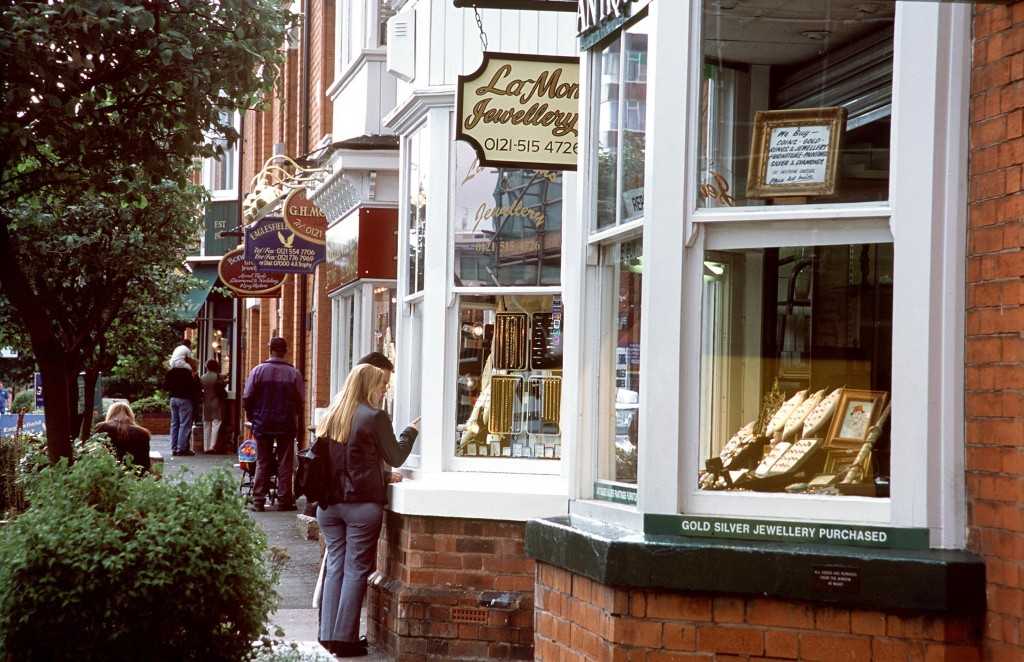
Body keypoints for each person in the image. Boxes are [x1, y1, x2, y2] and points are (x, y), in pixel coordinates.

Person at [312, 363, 419, 658]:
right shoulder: (374, 416)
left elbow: (341, 460)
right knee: (355, 569)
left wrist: (381, 475)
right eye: (381, 384)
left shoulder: (331, 416)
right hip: (361, 506)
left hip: (329, 507)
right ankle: (344, 640)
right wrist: (411, 431)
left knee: (335, 566)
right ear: (369, 386)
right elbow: (396, 456)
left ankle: (327, 635)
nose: (384, 389)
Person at [242, 337, 304, 512]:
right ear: (286, 351)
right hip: (286, 423)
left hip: (263, 422)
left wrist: (253, 417)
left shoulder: (258, 371)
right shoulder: (294, 374)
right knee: (285, 461)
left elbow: (247, 397)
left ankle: (258, 500)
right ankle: (284, 499)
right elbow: (300, 401)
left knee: (263, 460)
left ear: (270, 350)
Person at [95, 403, 152, 472]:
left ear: (110, 414)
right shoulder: (143, 433)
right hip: (134, 474)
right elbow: (145, 462)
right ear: (130, 415)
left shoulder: (101, 428)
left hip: (107, 473)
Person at [164, 356, 200, 457]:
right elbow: (193, 388)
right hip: (185, 399)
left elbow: (165, 386)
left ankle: (174, 448)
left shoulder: (171, 372)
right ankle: (182, 448)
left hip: (173, 399)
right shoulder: (188, 373)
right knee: (184, 424)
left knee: (174, 423)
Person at [200, 359, 227, 453]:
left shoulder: (202, 378)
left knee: (206, 424)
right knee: (216, 423)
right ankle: (212, 446)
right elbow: (224, 384)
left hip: (206, 403)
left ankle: (206, 447)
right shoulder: (218, 377)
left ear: (207, 367)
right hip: (216, 402)